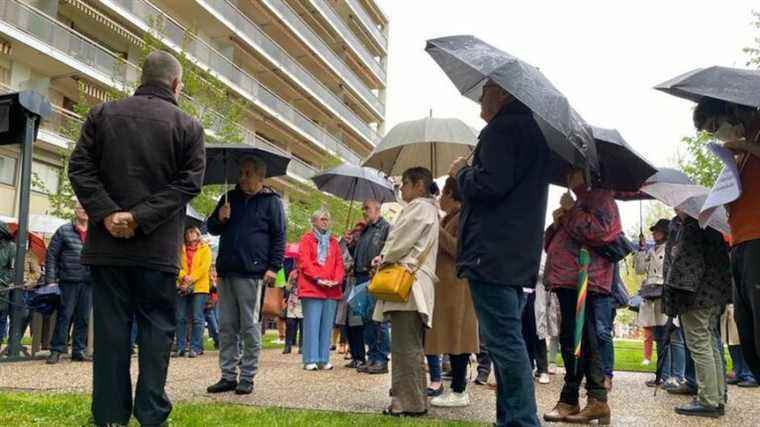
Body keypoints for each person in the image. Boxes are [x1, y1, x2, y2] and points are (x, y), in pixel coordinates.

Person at [68, 50, 205, 426]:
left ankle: (110, 415)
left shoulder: (102, 115)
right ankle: (151, 414)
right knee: (156, 331)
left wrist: (108, 212)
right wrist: (140, 218)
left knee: (111, 332)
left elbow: (79, 167)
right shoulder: (188, 127)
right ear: (176, 85)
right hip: (157, 249)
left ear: (140, 78)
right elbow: (188, 184)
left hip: (107, 247)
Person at [448, 80, 549, 427]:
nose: (480, 96)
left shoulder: (502, 130)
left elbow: (488, 185)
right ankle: (510, 418)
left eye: (485, 91)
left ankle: (521, 420)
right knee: (509, 339)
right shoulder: (531, 132)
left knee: (504, 343)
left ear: (503, 93)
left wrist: (461, 172)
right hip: (514, 254)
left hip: (491, 253)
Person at [543, 169, 621, 424]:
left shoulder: (600, 197)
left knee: (583, 339)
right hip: (567, 279)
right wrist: (557, 223)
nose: (569, 176)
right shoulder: (581, 201)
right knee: (571, 339)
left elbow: (600, 232)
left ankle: (594, 399)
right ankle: (572, 397)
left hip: (586, 279)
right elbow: (555, 243)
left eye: (574, 172)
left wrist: (572, 209)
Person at [205, 155, 286, 395]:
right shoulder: (228, 198)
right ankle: (228, 375)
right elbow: (211, 228)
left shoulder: (272, 202)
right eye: (241, 172)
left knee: (249, 326)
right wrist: (219, 218)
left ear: (261, 176)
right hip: (227, 270)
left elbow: (279, 237)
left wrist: (273, 266)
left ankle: (247, 376)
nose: (242, 177)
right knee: (227, 326)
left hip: (253, 273)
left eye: (248, 173)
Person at [692, 99, 760, 382]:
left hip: (758, 239)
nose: (717, 134)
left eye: (715, 126)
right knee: (748, 334)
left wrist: (745, 147)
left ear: (730, 111)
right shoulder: (741, 150)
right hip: (741, 241)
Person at [373, 167, 439, 417]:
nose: (401, 189)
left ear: (419, 185)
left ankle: (407, 403)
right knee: (408, 345)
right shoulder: (428, 208)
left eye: (405, 184)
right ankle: (412, 399)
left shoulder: (420, 207)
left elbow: (399, 241)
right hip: (414, 285)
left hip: (409, 285)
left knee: (404, 346)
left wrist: (383, 257)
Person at [663, 211, 731, 418]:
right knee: (710, 344)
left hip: (696, 297)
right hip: (714, 295)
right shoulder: (712, 226)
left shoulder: (693, 226)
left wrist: (673, 297)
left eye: (678, 207)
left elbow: (686, 267)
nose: (675, 210)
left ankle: (708, 400)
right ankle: (717, 397)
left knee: (700, 345)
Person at [424, 177, 480, 407]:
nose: (440, 198)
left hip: (458, 287)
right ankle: (455, 388)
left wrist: (437, 229)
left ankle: (459, 390)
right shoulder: (452, 216)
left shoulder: (464, 216)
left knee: (459, 339)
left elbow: (459, 249)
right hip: (449, 287)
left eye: (443, 193)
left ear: (451, 194)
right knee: (452, 337)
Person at [635, 219, 683, 388]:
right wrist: (641, 249)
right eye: (654, 231)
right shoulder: (650, 250)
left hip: (665, 295)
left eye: (658, 231)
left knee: (673, 338)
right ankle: (662, 375)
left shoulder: (671, 249)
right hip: (651, 297)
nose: (654, 234)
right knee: (659, 339)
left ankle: (677, 376)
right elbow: (640, 270)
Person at [296, 209, 345, 371]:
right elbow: (304, 262)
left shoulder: (333, 242)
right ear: (314, 222)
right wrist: (318, 278)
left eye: (328, 219)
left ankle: (324, 358)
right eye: (323, 219)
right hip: (312, 288)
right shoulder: (306, 239)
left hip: (331, 289)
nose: (326, 222)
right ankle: (310, 358)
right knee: (312, 323)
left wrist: (336, 280)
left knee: (326, 325)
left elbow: (339, 263)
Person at [45, 201, 92, 364]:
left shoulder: (95, 232)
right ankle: (56, 350)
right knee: (65, 316)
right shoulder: (64, 230)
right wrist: (50, 280)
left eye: (87, 208)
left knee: (83, 317)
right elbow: (51, 256)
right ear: (75, 210)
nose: (84, 211)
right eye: (81, 208)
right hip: (68, 280)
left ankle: (78, 350)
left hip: (89, 282)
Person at [351, 199, 390, 374]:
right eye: (363, 208)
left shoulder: (386, 228)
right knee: (366, 319)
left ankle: (381, 358)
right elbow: (358, 254)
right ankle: (372, 356)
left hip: (375, 276)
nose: (364, 211)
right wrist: (352, 244)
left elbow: (388, 251)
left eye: (367, 208)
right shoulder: (365, 229)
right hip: (360, 276)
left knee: (378, 319)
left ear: (377, 209)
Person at [174, 225, 212, 358]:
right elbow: (176, 264)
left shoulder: (205, 249)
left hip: (199, 287)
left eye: (193, 232)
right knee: (180, 317)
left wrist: (191, 279)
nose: (190, 235)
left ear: (198, 234)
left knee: (197, 317)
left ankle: (196, 347)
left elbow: (204, 268)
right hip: (182, 285)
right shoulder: (180, 248)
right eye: (188, 233)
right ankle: (180, 346)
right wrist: (184, 277)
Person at [723, 304, 758, 387]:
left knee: (740, 340)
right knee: (731, 341)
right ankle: (738, 372)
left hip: (737, 305)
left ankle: (749, 375)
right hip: (728, 303)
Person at [0, 221, 16, 347]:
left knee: (1, 317)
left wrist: (4, 282)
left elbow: (12, 269)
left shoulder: (11, 247)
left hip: (2, 288)